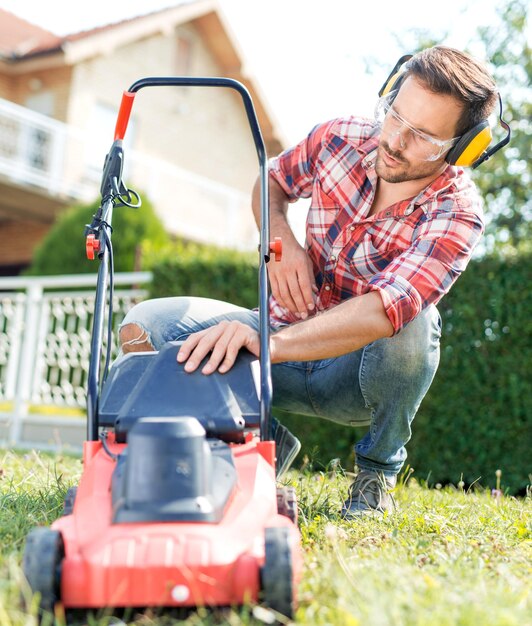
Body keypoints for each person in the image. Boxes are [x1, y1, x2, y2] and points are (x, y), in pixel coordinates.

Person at [118, 46, 502, 517]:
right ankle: (259, 441)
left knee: (417, 322)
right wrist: (279, 240)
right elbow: (270, 180)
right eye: (395, 115)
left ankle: (375, 476)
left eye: (422, 136)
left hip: (354, 376)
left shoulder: (458, 211)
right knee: (147, 324)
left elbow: (386, 308)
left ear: (462, 150)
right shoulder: (339, 138)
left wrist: (265, 343)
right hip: (272, 347)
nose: (396, 140)